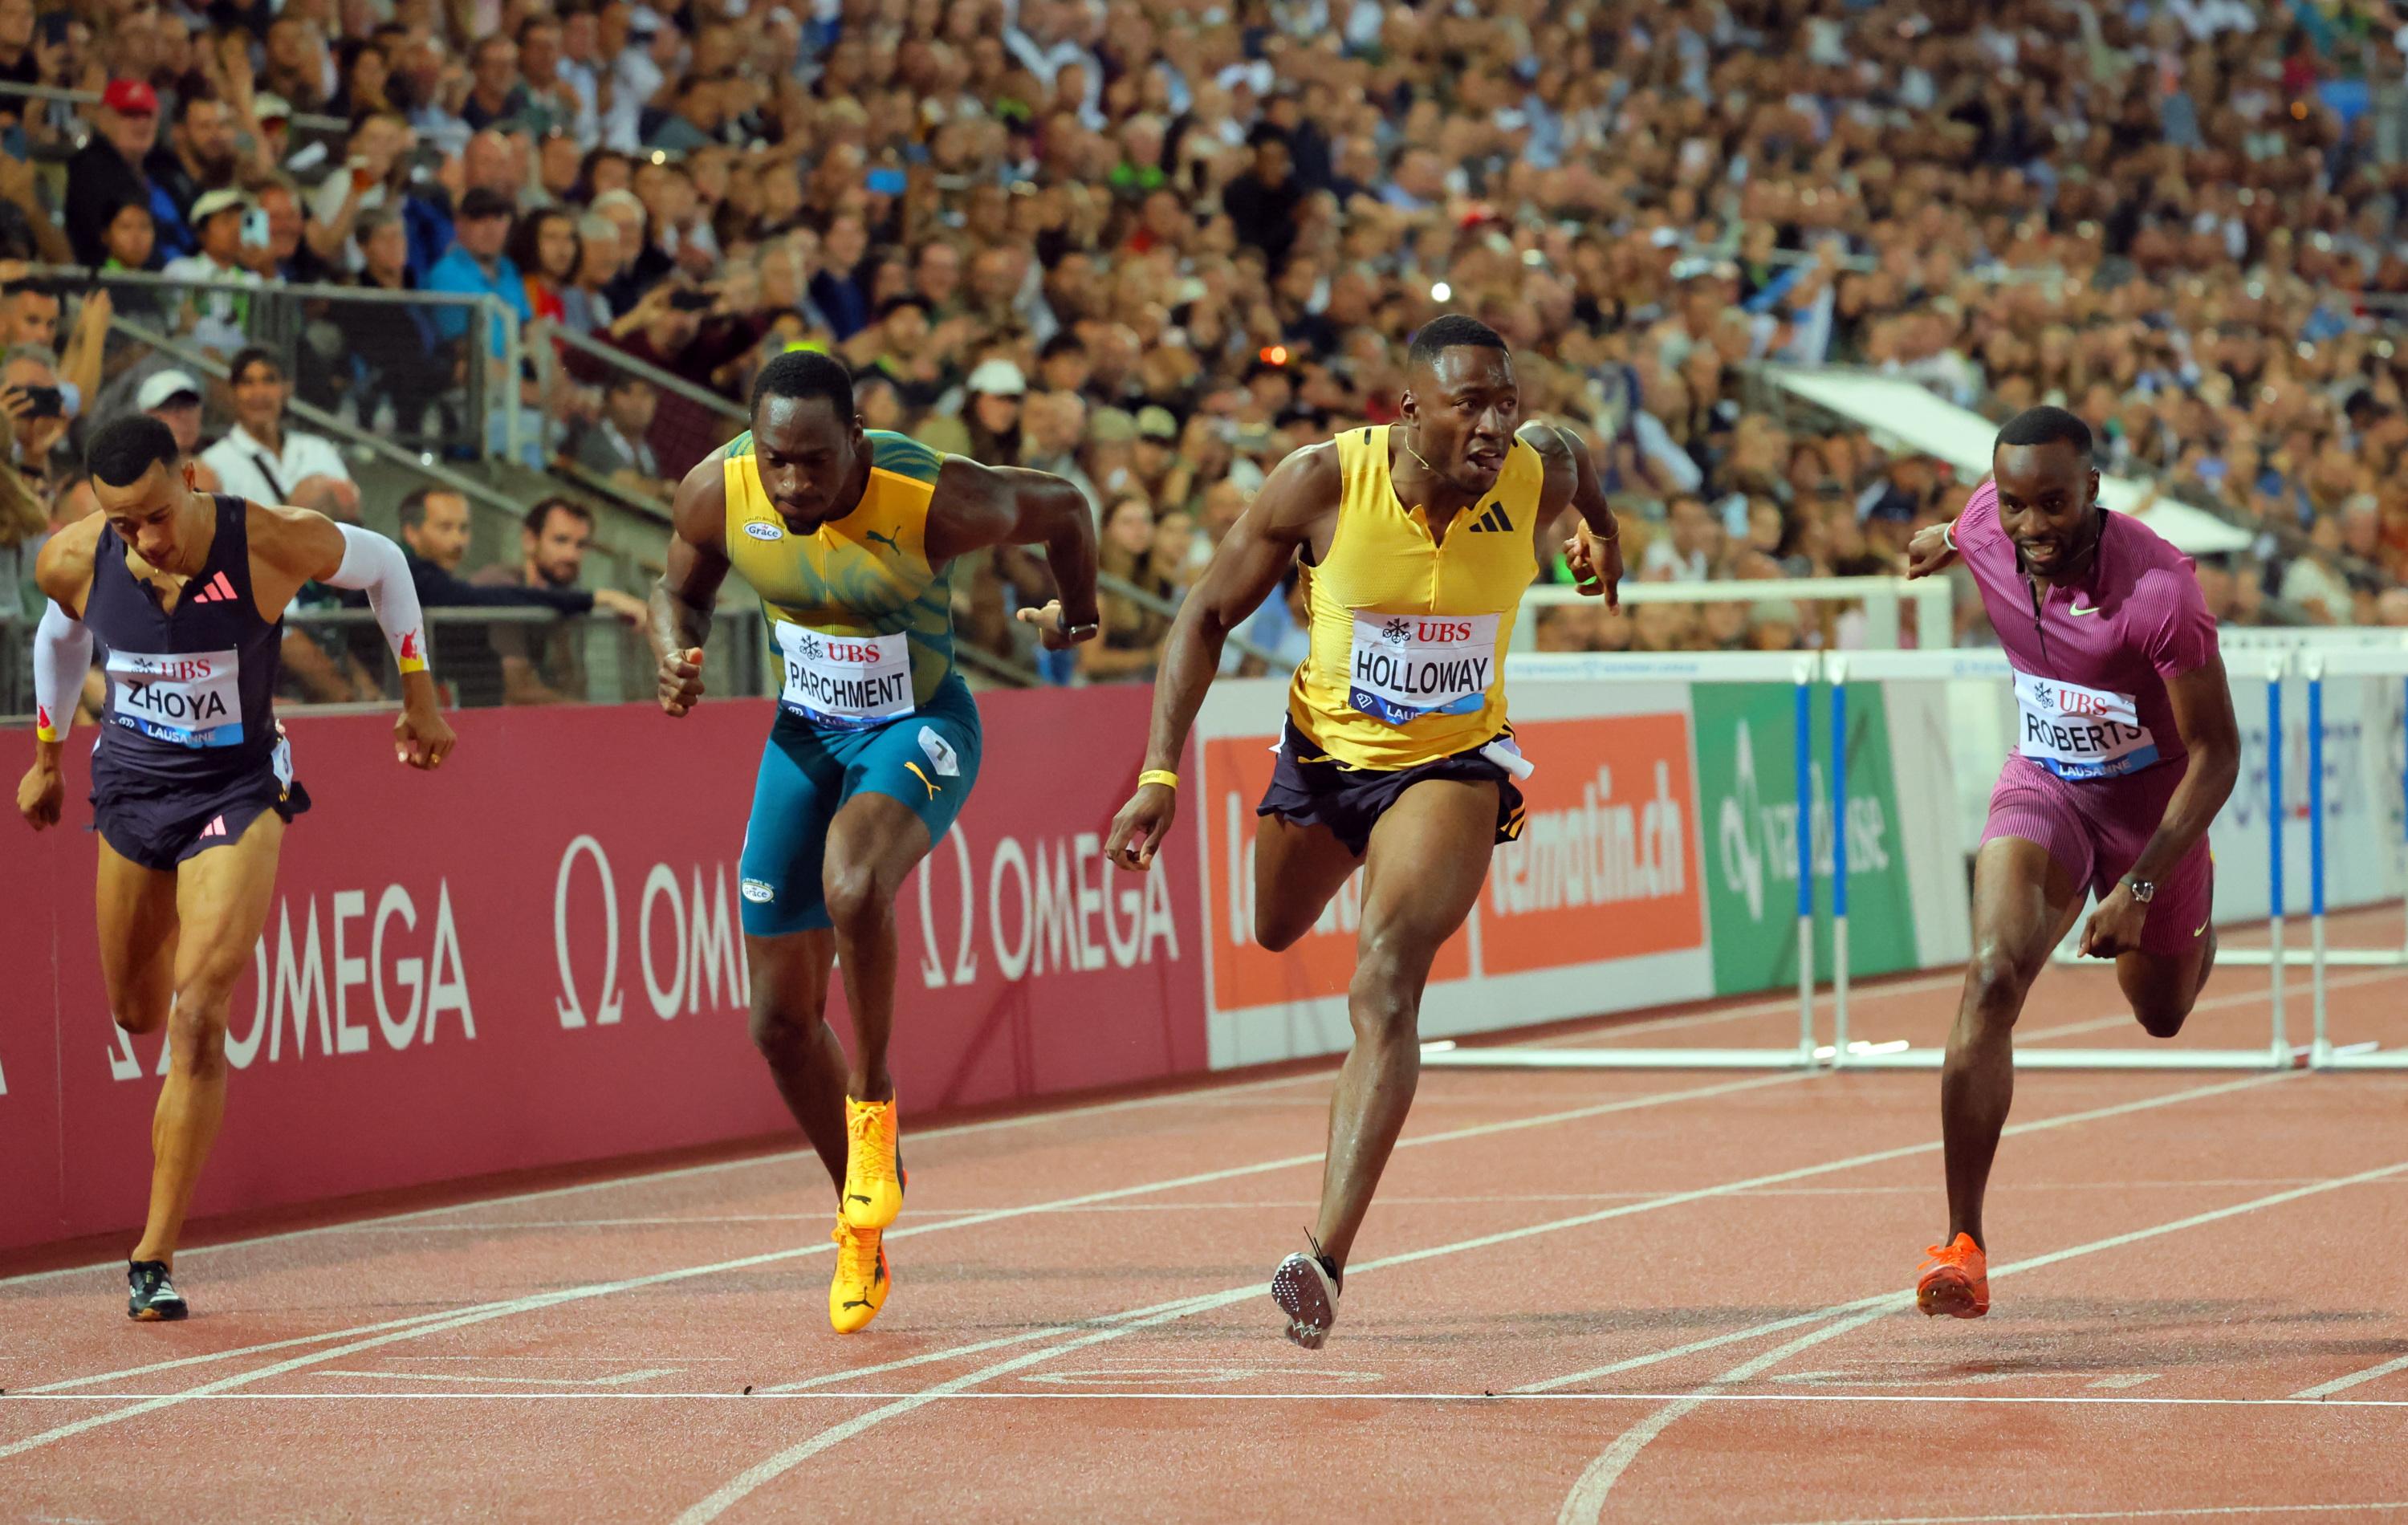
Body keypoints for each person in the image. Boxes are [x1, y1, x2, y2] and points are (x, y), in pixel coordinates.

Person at [1100, 315, 1624, 1348]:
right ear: (1409, 410)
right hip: (1322, 760)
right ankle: (1335, 848)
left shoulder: (1536, 471)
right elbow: (1203, 615)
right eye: (1469, 403)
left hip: (1453, 765)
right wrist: (1159, 770)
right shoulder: (1322, 483)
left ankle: (1324, 1258)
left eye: (1504, 403)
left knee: (1384, 976)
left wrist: (1598, 537)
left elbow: (1578, 461)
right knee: (1274, 926)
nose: (1493, 425)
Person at [648, 349, 1098, 1335]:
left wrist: (1082, 611)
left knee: (853, 883)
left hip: (921, 726)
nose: (797, 484)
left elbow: (1065, 505)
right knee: (776, 1022)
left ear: (855, 442)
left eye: (817, 462)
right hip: (806, 734)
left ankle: (875, 1093)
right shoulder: (718, 490)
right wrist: (671, 652)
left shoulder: (933, 497)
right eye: (779, 463)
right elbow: (678, 590)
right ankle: (864, 1220)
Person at [14, 414, 454, 1320]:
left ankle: (153, 1253)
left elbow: (388, 571)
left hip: (239, 786)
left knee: (200, 1010)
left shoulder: (269, 539)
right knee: (136, 1011)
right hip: (132, 791)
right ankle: (182, 924)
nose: (143, 541)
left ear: (190, 478)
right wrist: (49, 751)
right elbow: (59, 638)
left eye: (155, 516)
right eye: (121, 524)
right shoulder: (74, 556)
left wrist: (419, 693)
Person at [1903, 406, 2237, 1320]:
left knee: (2161, 1012)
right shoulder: (1988, 523)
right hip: (2046, 783)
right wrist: (1944, 537)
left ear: (2094, 489)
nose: (2033, 527)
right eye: (2015, 505)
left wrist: (2140, 884)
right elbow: (1969, 522)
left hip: (2147, 814)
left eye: (2055, 503)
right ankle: (1962, 1243)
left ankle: (2195, 924)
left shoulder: (2162, 593)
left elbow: (2216, 752)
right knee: (1990, 974)